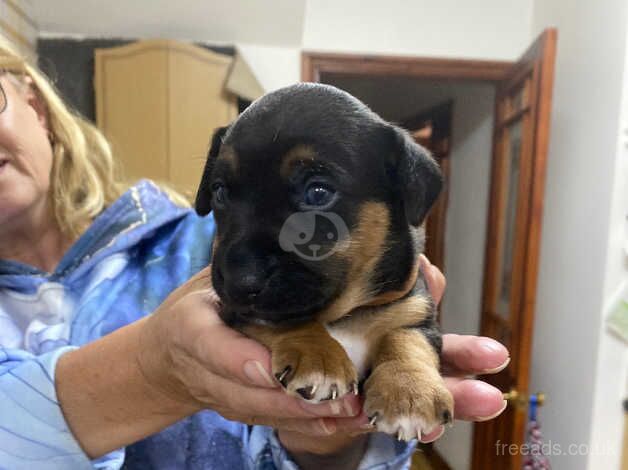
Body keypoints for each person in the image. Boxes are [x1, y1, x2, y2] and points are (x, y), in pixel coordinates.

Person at [0, 38, 510, 470]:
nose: (241, 271)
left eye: (316, 194)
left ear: (36, 106)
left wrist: (327, 434)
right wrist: (154, 369)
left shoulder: (176, 243)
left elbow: (324, 433)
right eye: (223, 194)